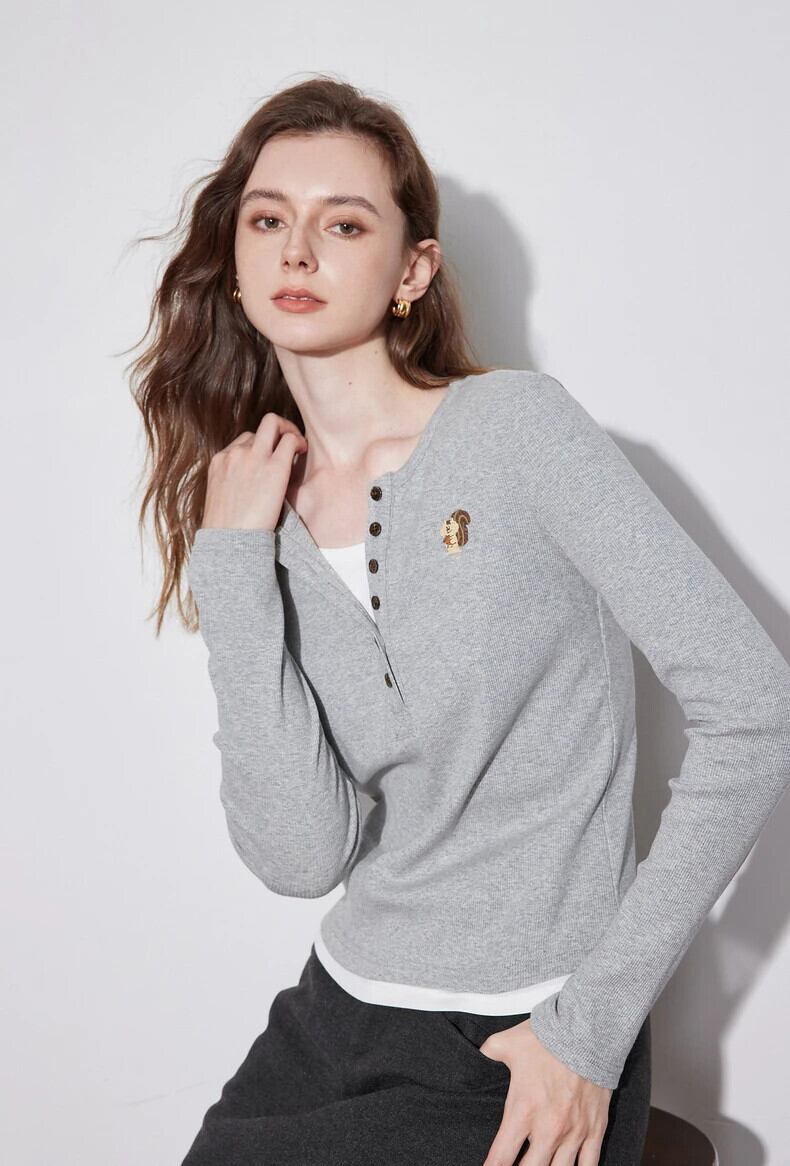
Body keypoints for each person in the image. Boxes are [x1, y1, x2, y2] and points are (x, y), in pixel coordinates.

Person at [128, 76, 790, 1166]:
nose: (299, 250)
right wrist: (236, 558)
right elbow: (302, 855)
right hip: (333, 1016)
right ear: (236, 261)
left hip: (533, 1033)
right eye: (268, 219)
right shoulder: (255, 512)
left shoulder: (518, 431)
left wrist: (589, 1028)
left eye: (345, 224)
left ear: (413, 270)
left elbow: (755, 709)